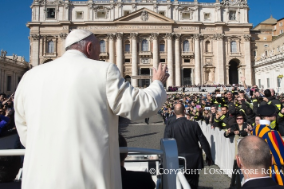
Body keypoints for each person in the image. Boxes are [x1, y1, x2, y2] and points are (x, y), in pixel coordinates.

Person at [14, 30, 168, 189]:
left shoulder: (29, 77)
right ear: (89, 47)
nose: (101, 55)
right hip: (86, 178)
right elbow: (140, 105)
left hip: (38, 179)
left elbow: (24, 132)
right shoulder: (104, 71)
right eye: (99, 48)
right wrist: (157, 83)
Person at [164, 103, 213, 189]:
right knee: (193, 184)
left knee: (178, 183)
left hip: (177, 160)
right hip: (194, 160)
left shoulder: (170, 127)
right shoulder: (194, 124)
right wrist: (208, 156)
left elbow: (166, 145)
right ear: (184, 111)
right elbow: (203, 141)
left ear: (174, 113)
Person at [252, 105, 284, 186]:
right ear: (268, 116)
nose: (276, 115)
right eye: (274, 113)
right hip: (272, 169)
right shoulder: (271, 133)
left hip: (259, 168)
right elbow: (282, 156)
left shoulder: (255, 129)